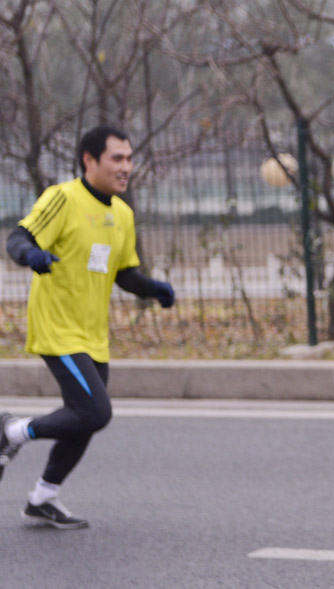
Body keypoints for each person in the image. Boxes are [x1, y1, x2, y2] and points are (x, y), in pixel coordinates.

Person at [0, 125, 175, 529]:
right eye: (117, 158)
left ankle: (43, 498)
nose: (126, 166)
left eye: (130, 158)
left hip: (93, 335)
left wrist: (152, 288)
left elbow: (124, 274)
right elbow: (17, 237)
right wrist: (32, 255)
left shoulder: (123, 214)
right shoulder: (62, 198)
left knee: (82, 418)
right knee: (95, 412)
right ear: (89, 160)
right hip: (58, 330)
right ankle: (12, 431)